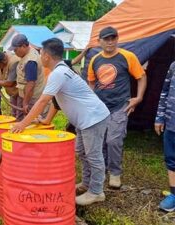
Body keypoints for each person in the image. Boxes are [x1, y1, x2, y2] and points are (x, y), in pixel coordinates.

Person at [12, 38, 110, 206]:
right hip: (84, 120)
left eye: (41, 53)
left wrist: (23, 124)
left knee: (93, 156)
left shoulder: (58, 73)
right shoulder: (60, 69)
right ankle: (87, 183)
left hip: (93, 118)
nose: (40, 56)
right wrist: (46, 120)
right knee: (82, 152)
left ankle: (96, 191)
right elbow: (56, 101)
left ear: (47, 56)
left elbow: (43, 101)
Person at [87, 26, 147, 188]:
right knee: (101, 141)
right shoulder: (95, 59)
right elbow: (92, 81)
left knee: (114, 140)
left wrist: (138, 98)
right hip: (100, 107)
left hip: (120, 105)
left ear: (117, 39)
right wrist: (91, 100)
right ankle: (104, 169)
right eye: (106, 39)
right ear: (99, 41)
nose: (110, 42)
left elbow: (141, 76)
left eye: (113, 38)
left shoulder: (127, 57)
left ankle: (115, 173)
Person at [8, 34, 47, 119]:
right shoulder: (27, 54)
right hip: (29, 98)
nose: (14, 52)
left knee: (35, 124)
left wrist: (25, 103)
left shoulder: (30, 61)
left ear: (23, 46)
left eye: (15, 50)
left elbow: (31, 84)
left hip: (33, 99)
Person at [155, 61, 175, 212]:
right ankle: (174, 195)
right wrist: (160, 117)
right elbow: (164, 91)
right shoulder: (173, 65)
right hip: (171, 122)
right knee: (171, 159)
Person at [0, 52, 21, 119]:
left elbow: (10, 83)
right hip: (13, 93)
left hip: (21, 92)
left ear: (4, 61)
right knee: (14, 113)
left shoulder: (14, 62)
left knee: (20, 114)